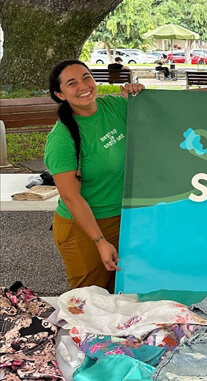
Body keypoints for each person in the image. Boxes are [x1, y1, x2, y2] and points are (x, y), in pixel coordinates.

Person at [45, 59, 145, 293]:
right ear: (60, 94)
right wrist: (100, 241)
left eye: (86, 77)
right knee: (90, 301)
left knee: (123, 296)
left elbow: (173, 107)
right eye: (72, 83)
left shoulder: (115, 106)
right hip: (84, 229)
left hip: (124, 219)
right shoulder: (61, 139)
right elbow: (72, 198)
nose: (83, 86)